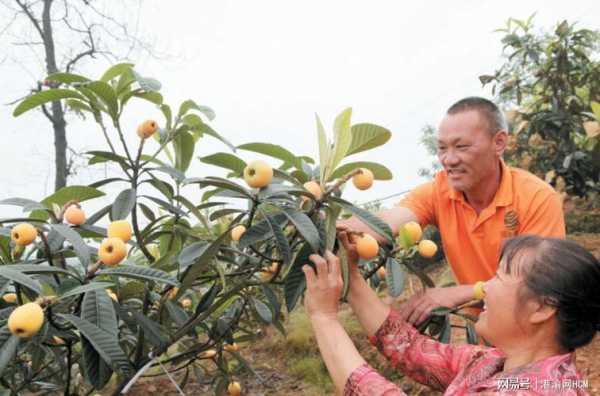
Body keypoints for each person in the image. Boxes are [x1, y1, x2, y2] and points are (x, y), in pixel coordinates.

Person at [338, 97, 565, 324]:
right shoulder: (439, 192)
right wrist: (318, 224)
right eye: (442, 148)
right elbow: (388, 222)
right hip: (486, 332)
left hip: (537, 341)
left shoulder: (536, 198)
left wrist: (460, 293)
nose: (449, 160)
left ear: (499, 142)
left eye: (462, 147)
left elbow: (535, 286)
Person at [303, 234, 599, 395]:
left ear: (542, 308)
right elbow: (410, 348)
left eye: (499, 277)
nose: (484, 289)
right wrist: (351, 275)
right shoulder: (497, 365)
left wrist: (324, 318)